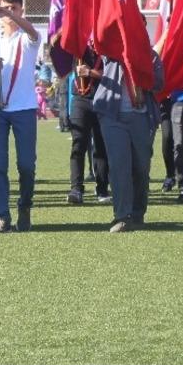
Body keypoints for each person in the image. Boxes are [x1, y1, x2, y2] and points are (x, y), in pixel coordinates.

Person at [0, 0, 40, 233]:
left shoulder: (26, 40)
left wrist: (5, 12)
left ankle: (25, 205)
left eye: (14, 8)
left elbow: (33, 33)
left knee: (26, 164)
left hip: (23, 108)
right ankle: (1, 215)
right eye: (4, 8)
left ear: (21, 11)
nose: (9, 13)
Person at [94, 49, 164, 232]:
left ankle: (138, 212)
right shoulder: (111, 51)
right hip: (113, 116)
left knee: (141, 167)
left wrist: (140, 71)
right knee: (119, 166)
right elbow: (100, 43)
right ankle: (122, 216)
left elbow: (159, 83)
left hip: (141, 116)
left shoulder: (151, 55)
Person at [65, 44, 109, 205]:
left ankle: (102, 188)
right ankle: (76, 189)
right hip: (80, 100)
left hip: (102, 99)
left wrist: (90, 72)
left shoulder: (107, 46)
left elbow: (113, 75)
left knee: (101, 146)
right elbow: (60, 50)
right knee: (78, 145)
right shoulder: (77, 46)